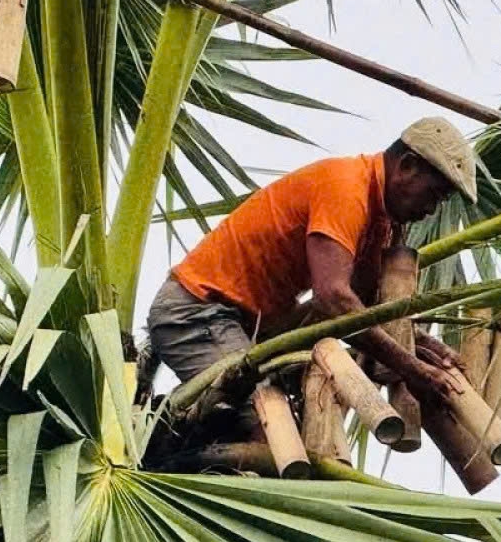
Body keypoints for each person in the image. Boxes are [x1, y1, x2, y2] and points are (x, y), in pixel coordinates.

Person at [146, 116, 476, 421]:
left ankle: (179, 419)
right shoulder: (347, 188)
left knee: (296, 412)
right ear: (406, 165)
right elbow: (333, 300)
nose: (431, 210)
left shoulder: (380, 222)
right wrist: (412, 369)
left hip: (248, 328)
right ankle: (168, 423)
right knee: (264, 420)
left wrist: (423, 346)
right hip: (198, 310)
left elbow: (364, 305)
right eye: (433, 194)